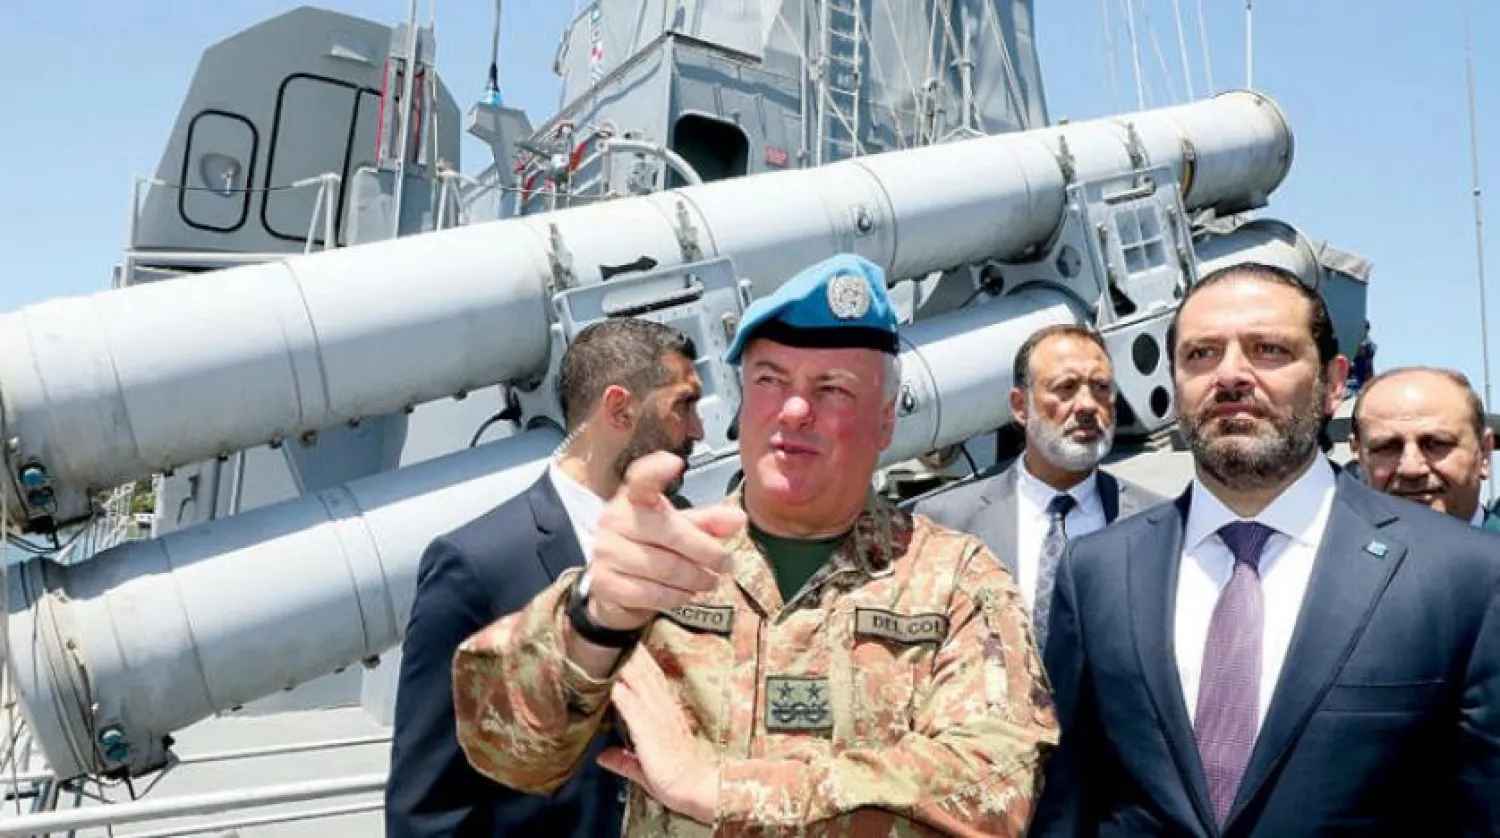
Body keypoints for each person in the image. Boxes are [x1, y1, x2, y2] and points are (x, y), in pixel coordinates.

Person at [450, 253, 1058, 836]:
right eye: (771, 380)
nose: (794, 409)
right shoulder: (663, 564)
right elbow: (506, 751)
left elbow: (994, 790)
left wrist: (721, 789)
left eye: (834, 389)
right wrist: (593, 620)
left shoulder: (957, 583)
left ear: (885, 419)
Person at [1032, 262, 1500, 836]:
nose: (1231, 375)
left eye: (1269, 350)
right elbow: (1066, 805)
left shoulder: (1464, 575)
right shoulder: (1097, 570)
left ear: (1333, 383)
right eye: (1202, 354)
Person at [385, 318, 705, 837]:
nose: (698, 430)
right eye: (683, 406)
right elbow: (428, 808)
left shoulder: (693, 539)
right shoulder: (475, 566)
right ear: (619, 408)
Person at [912, 323, 1161, 649]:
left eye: (1100, 386)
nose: (1087, 405)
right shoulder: (945, 524)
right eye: (1066, 387)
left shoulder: (1159, 523)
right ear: (1020, 406)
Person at [1348, 365, 1499, 530]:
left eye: (1435, 444)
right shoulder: (1330, 553)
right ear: (1358, 454)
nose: (1411, 469)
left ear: (1484, 452)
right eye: (1388, 447)